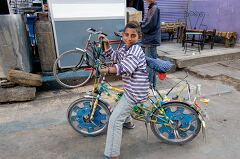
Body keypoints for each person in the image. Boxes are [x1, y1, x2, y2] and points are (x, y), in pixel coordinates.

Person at [97, 21, 149, 159]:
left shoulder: (135, 50)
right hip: (130, 88)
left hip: (135, 92)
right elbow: (116, 58)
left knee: (114, 120)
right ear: (123, 35)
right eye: (126, 35)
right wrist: (107, 45)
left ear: (139, 37)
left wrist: (108, 69)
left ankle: (112, 154)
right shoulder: (126, 48)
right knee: (118, 99)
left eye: (133, 35)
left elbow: (125, 68)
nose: (129, 38)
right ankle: (128, 121)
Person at [141, 0, 161, 89]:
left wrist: (140, 27)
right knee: (151, 63)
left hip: (150, 40)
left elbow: (149, 25)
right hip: (149, 40)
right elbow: (147, 22)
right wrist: (140, 23)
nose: (145, 1)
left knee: (150, 63)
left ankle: (150, 85)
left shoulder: (154, 8)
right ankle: (152, 85)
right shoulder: (151, 8)